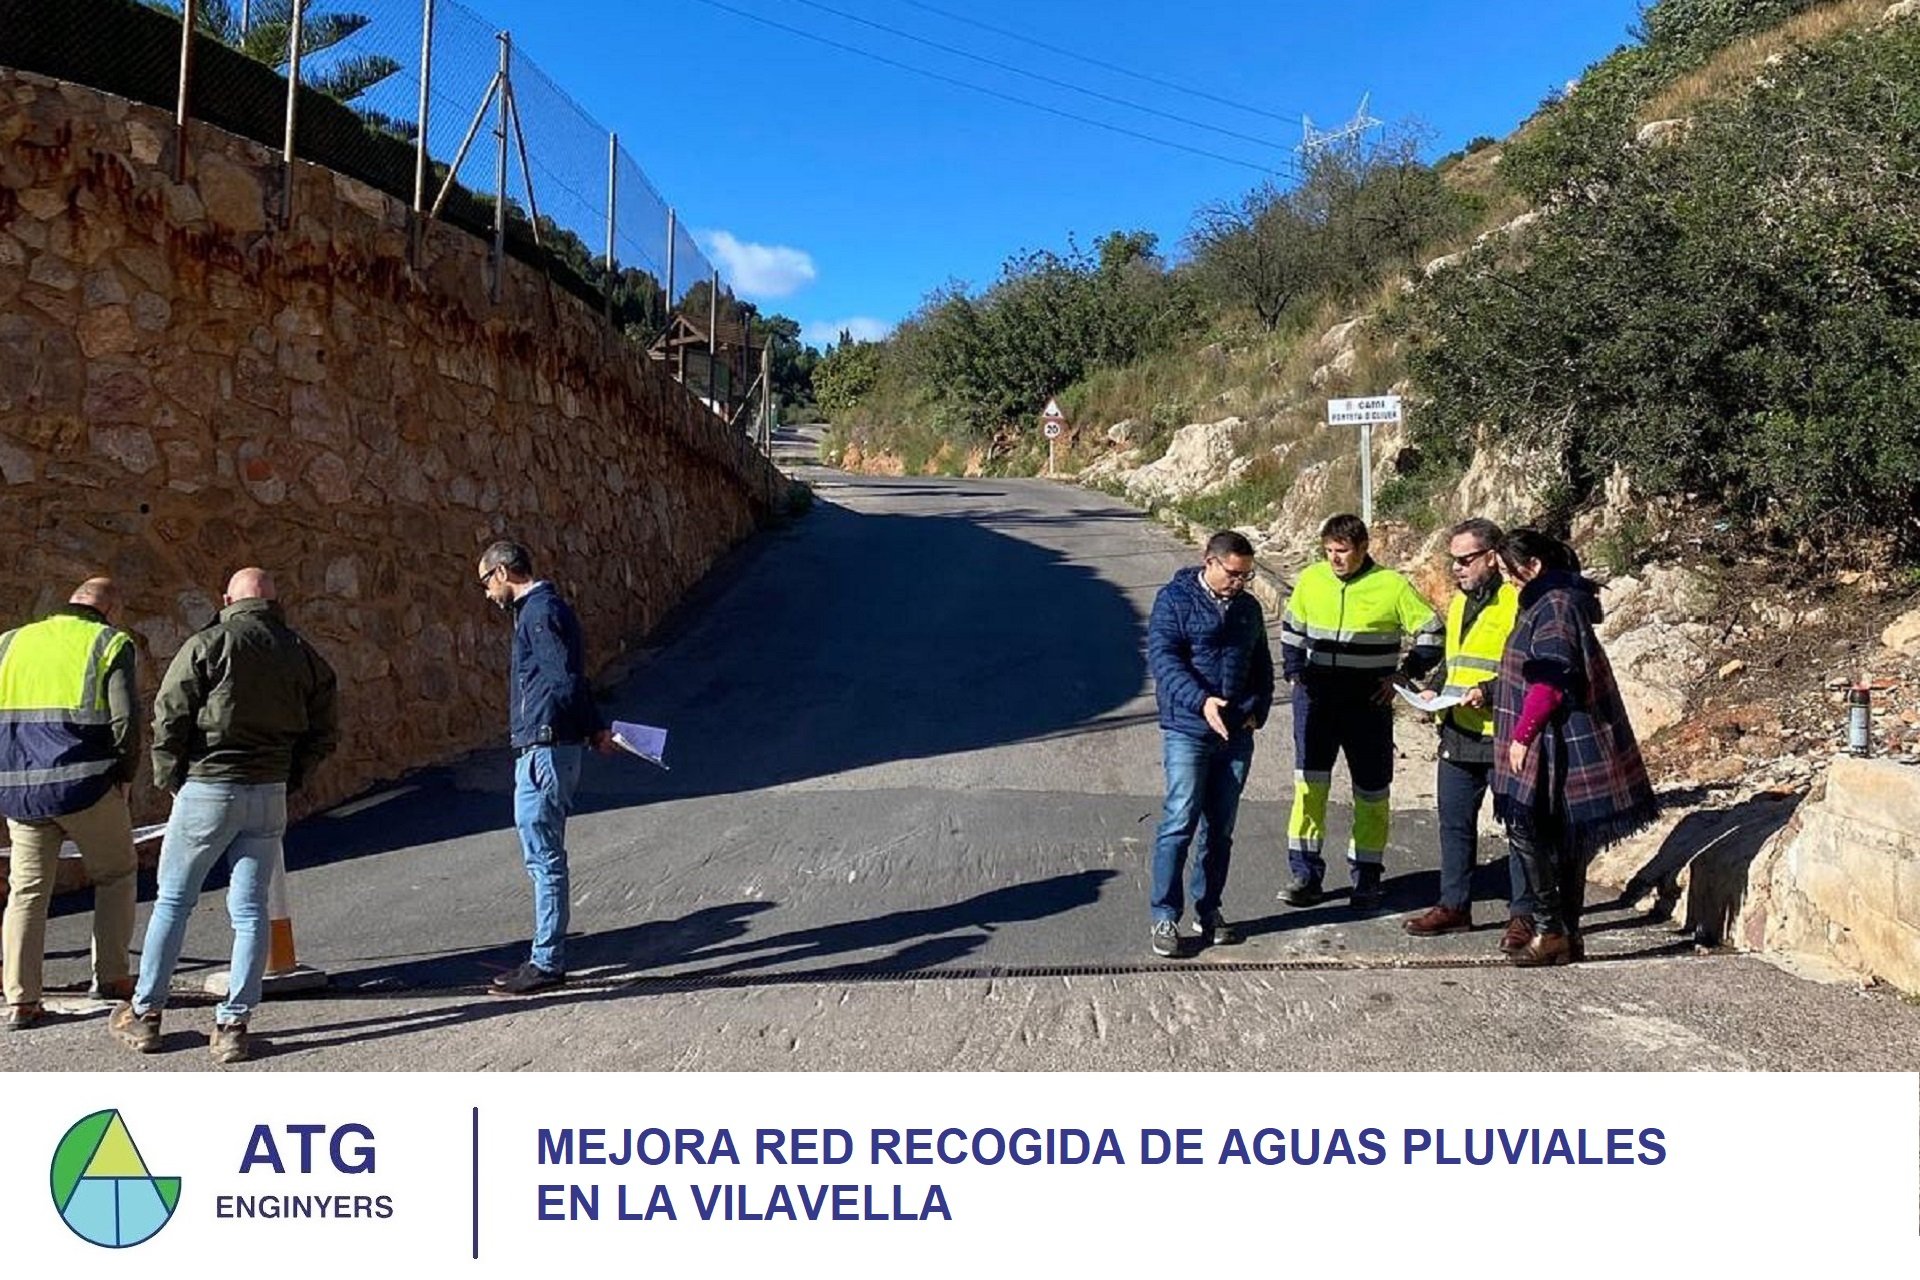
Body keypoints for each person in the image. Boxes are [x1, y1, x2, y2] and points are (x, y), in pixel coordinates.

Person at [110, 568, 338, 1063]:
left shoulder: (209, 642)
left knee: (173, 901)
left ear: (227, 598)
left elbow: (171, 712)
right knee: (251, 911)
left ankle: (146, 1013)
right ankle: (233, 1024)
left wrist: (170, 776)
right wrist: (293, 773)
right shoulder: (300, 651)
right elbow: (325, 725)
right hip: (269, 788)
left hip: (209, 784)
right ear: (273, 600)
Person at [1491, 529, 1658, 967]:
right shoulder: (1551, 601)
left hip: (1555, 739)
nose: (1509, 584)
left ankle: (1552, 930)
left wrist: (1522, 736)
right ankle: (1567, 933)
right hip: (1553, 736)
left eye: (1512, 574)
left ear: (1534, 567)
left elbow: (1549, 678)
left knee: (1533, 832)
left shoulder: (1555, 605)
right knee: (1562, 837)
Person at [1278, 513, 1443, 911]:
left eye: (1343, 552)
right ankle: (1304, 874)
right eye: (1329, 551)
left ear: (1364, 548)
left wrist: (1404, 675)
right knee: (1309, 786)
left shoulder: (1391, 586)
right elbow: (1290, 631)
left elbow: (1432, 632)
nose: (1335, 559)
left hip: (1367, 705)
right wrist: (1295, 673)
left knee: (1371, 791)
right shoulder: (1311, 579)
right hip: (1316, 702)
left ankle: (1367, 876)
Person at [0, 578, 140, 1031]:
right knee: (115, 874)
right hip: (86, 786)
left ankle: (21, 999)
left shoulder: (10, 643)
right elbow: (125, 720)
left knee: (26, 893)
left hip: (21, 790)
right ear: (111, 608)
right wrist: (124, 775)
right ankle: (112, 977)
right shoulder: (110, 642)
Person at [477, 540, 613, 996]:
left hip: (545, 750)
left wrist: (594, 728)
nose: (486, 594)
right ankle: (544, 957)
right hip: (551, 747)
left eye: (485, 583)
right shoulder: (546, 610)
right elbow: (569, 679)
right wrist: (593, 729)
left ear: (501, 573)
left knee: (544, 857)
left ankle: (546, 963)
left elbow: (564, 681)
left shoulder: (538, 613)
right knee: (544, 854)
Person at [1402, 518, 1538, 951]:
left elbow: (1531, 670)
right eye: (1453, 561)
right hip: (1459, 732)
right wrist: (1434, 689)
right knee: (1454, 824)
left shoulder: (1517, 602)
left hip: (1506, 736)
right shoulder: (1460, 603)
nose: (1457, 569)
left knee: (1520, 829)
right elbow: (1457, 660)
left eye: (1465, 560)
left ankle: (1523, 916)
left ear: (1492, 557)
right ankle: (1454, 906)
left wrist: (1490, 692)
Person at [1144, 531, 1274, 958]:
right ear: (1210, 562)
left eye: (1246, 575)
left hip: (1237, 734)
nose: (1239, 582)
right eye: (1233, 573)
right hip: (1188, 730)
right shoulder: (1174, 600)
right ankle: (1165, 914)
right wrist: (1202, 703)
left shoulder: (1248, 609)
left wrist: (1258, 709)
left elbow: (1260, 664)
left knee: (1220, 829)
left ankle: (1209, 909)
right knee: (1179, 821)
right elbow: (1163, 659)